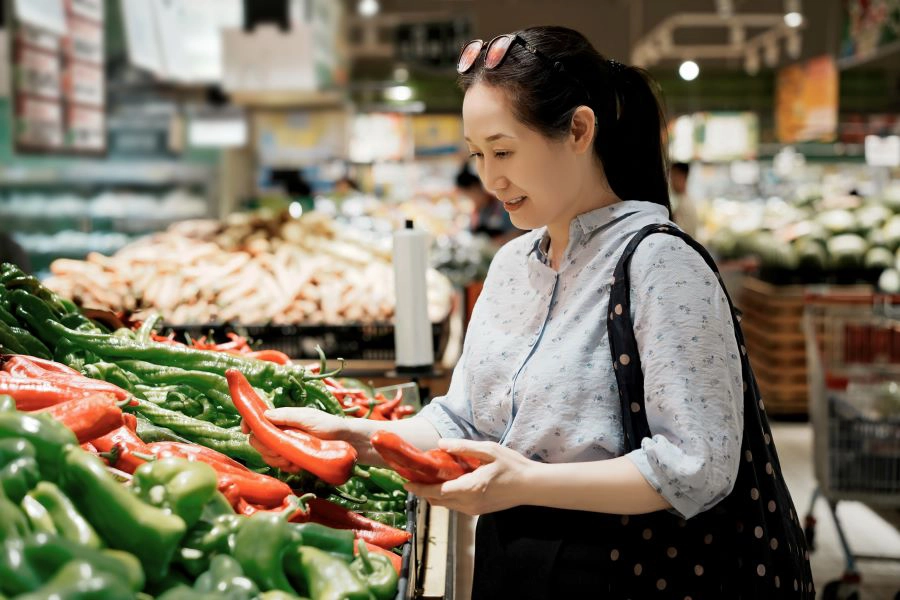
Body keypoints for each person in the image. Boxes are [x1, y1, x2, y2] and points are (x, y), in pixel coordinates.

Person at [267, 26, 814, 599]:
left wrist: (528, 481)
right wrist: (356, 437)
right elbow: (463, 420)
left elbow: (697, 466)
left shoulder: (661, 264)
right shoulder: (510, 266)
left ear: (579, 129)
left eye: (503, 150)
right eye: (477, 154)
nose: (489, 177)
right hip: (517, 562)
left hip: (637, 571)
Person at [456, 160, 521, 245]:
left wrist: (499, 241)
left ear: (475, 188)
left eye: (467, 196)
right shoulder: (476, 211)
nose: (467, 201)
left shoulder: (502, 205)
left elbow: (518, 232)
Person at [669, 161, 700, 238]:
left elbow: (680, 235)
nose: (671, 181)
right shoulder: (682, 201)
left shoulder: (685, 204)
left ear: (681, 176)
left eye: (673, 176)